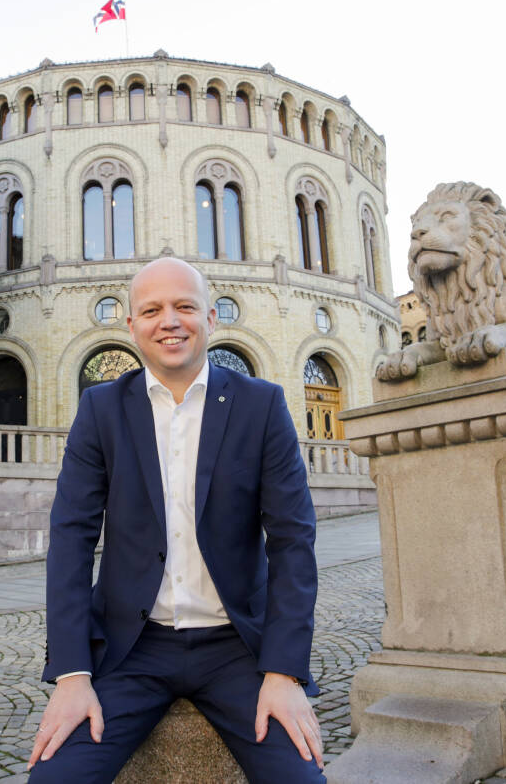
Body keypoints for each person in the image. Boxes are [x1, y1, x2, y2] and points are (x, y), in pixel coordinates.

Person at [28, 256, 325, 783]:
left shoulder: (263, 405)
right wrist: (72, 675)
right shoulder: (100, 409)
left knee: (300, 779)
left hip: (237, 647)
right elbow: (71, 539)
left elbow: (292, 540)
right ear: (132, 326)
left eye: (184, 306)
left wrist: (284, 673)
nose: (170, 321)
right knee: (55, 778)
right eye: (152, 310)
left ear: (211, 318)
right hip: (131, 649)